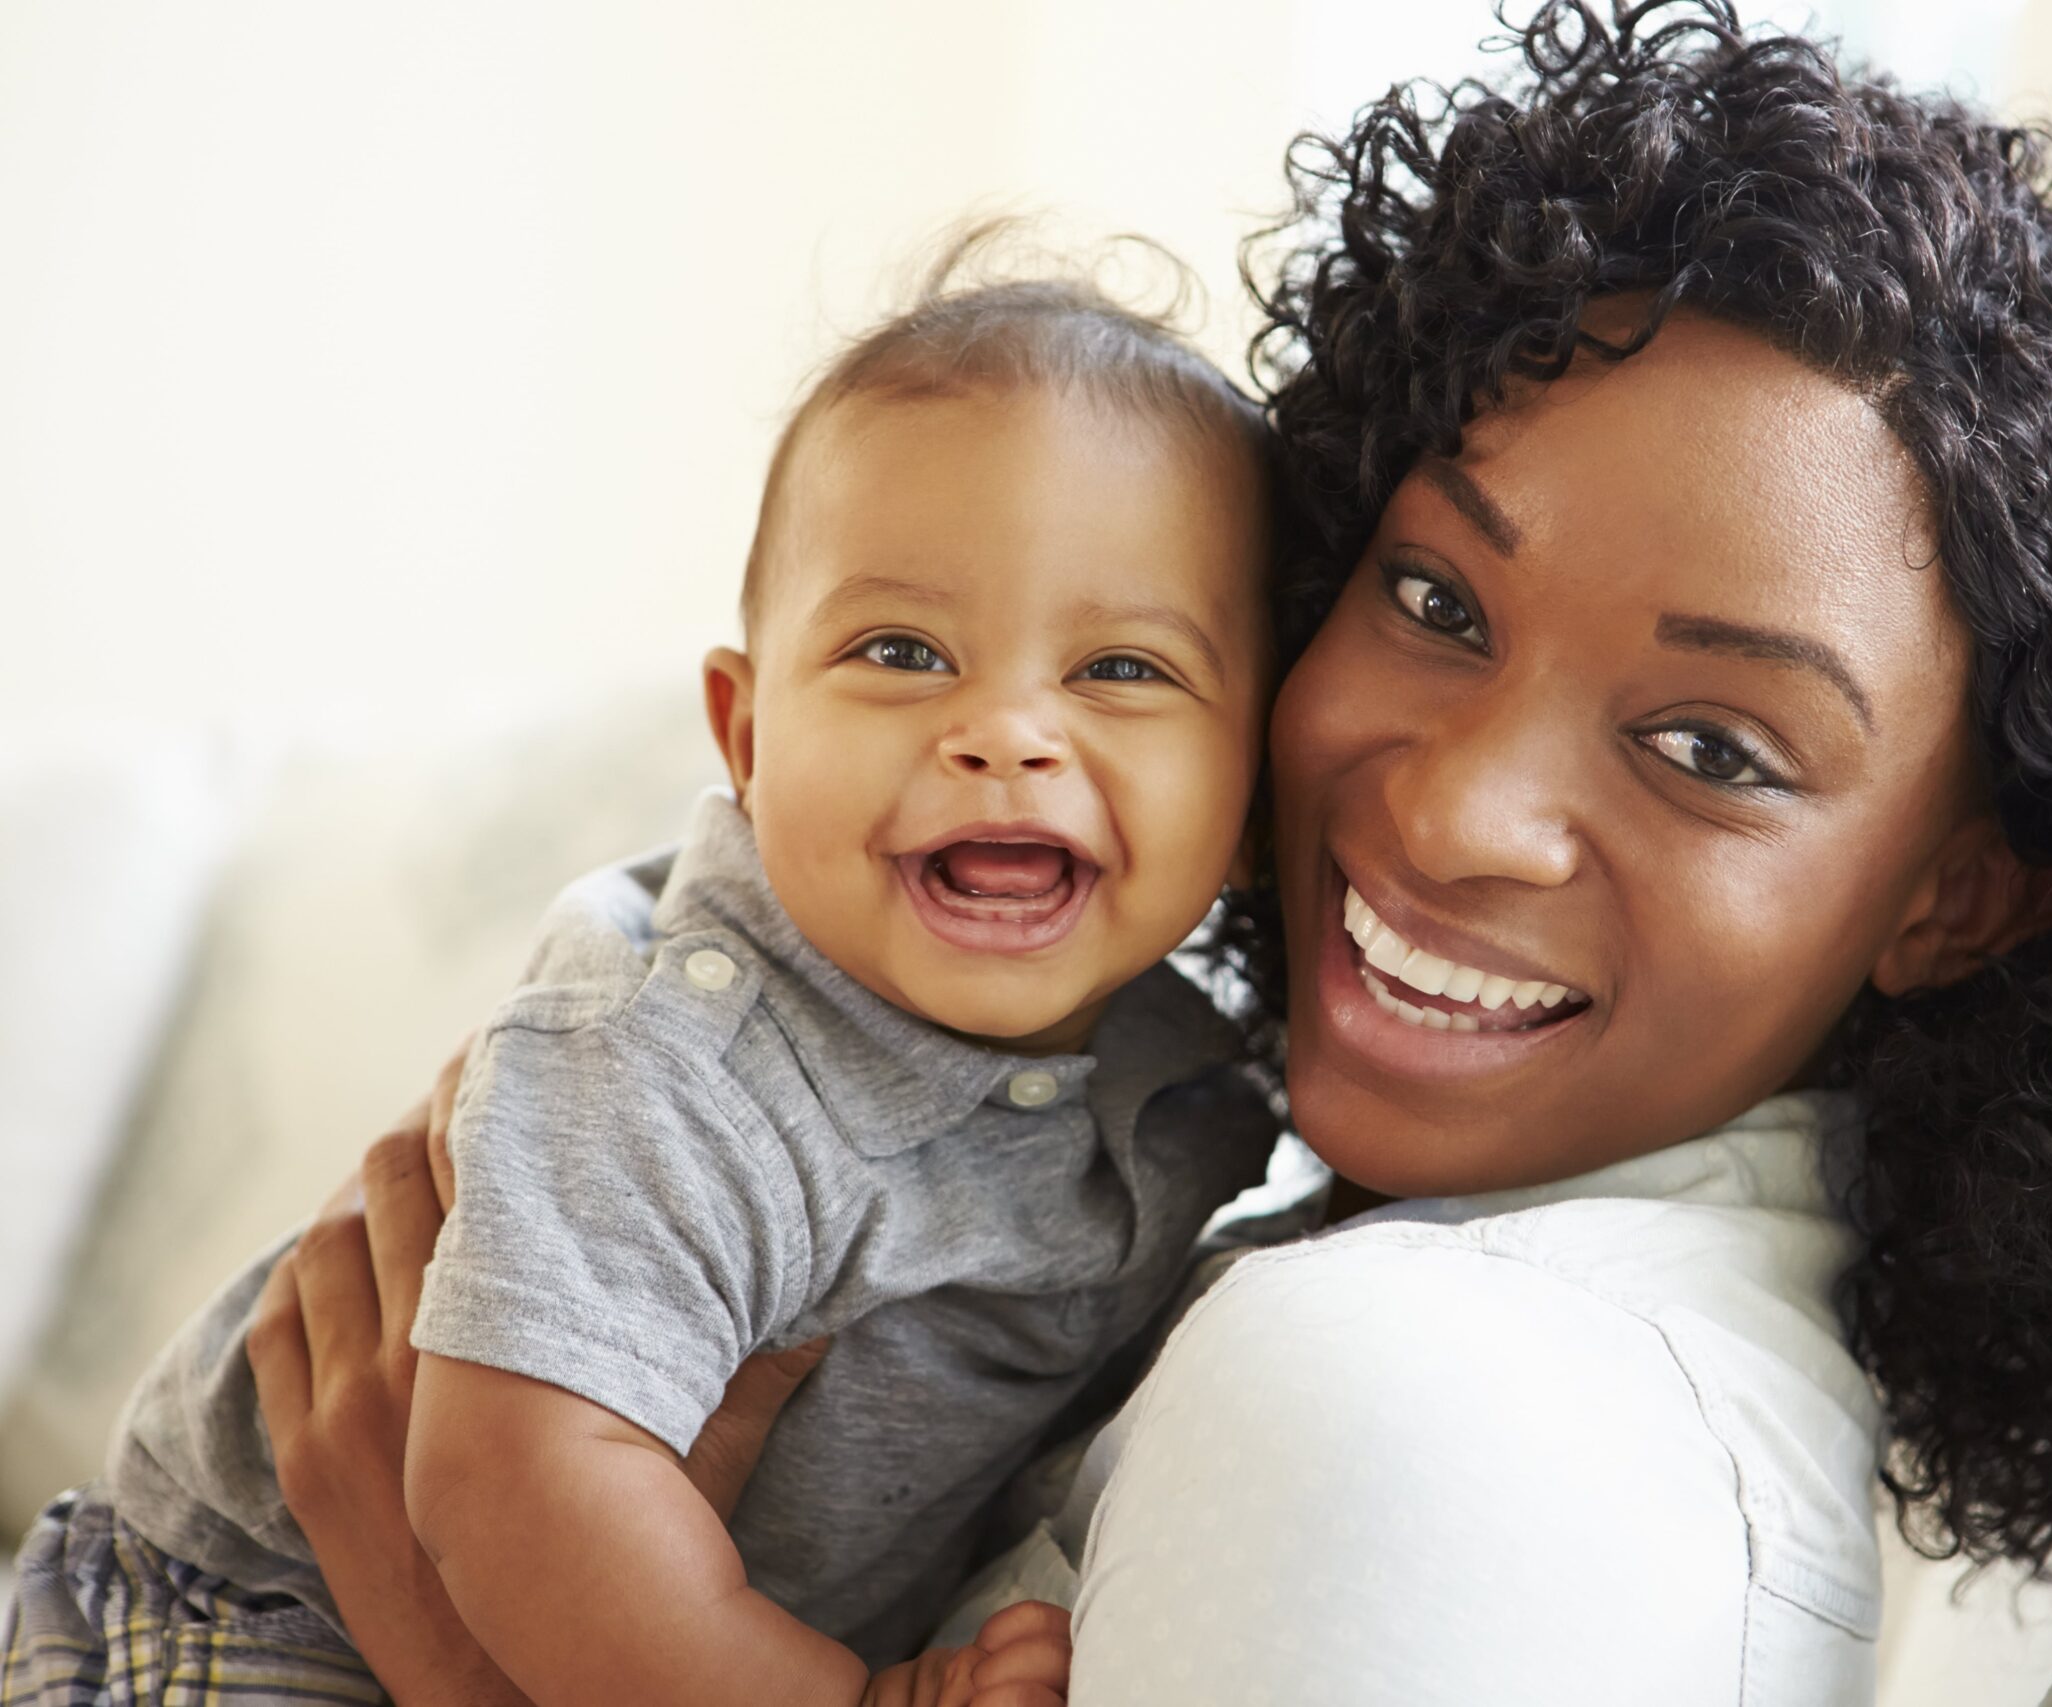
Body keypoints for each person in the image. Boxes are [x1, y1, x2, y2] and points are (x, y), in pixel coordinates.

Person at [147, 1, 2052, 1700]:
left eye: (1709, 742)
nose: (1458, 804)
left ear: (1961, 883)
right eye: (1426, 596)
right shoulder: (1206, 1122)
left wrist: (471, 1663)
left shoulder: (1401, 1400)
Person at [0, 258, 1293, 1707]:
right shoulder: (676, 1059)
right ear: (744, 737)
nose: (1004, 731)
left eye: (1120, 668)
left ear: (1252, 800)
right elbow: (519, 1485)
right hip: (241, 1618)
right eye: (902, 650)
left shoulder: (1192, 1090)